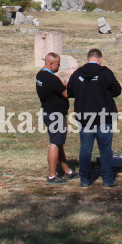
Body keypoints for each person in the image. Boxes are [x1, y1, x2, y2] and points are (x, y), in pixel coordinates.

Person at [67, 48, 122, 188]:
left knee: (85, 149)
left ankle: (84, 179)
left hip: (85, 118)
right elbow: (117, 90)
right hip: (104, 117)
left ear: (87, 59)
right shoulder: (105, 73)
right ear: (100, 59)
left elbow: (70, 91)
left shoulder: (78, 73)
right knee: (105, 149)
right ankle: (108, 180)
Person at [35, 52, 76, 185]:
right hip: (55, 115)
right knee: (54, 143)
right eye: (58, 64)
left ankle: (67, 171)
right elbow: (66, 94)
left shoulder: (40, 75)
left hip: (48, 112)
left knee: (59, 143)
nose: (59, 66)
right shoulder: (51, 79)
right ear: (51, 63)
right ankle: (52, 176)